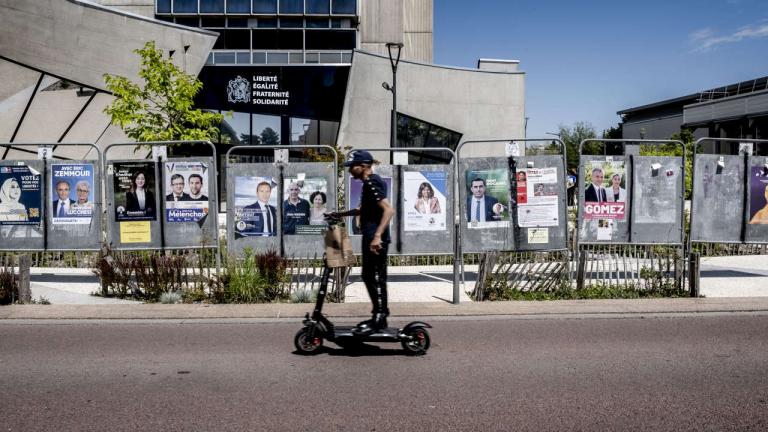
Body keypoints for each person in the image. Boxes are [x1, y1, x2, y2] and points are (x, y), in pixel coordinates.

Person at [328, 150, 394, 334]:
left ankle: (380, 318)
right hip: (371, 236)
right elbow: (362, 210)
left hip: (375, 239)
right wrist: (339, 214)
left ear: (363, 166)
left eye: (352, 167)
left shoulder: (373, 182)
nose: (350, 170)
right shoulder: (368, 184)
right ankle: (378, 316)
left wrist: (377, 236)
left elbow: (389, 210)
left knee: (376, 277)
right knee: (368, 275)